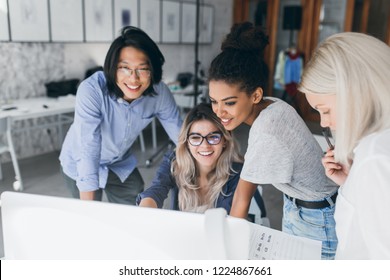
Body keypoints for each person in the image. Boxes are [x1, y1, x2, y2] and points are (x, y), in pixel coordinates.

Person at [207, 22, 339, 259]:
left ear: (255, 95)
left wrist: (225, 259)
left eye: (229, 102)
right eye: (214, 101)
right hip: (304, 204)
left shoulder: (266, 132)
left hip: (318, 218)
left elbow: (241, 199)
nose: (219, 111)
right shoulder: (273, 103)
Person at [59, 26, 182, 205]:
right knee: (92, 219)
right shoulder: (92, 90)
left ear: (153, 70)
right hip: (80, 162)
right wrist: (88, 210)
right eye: (124, 68)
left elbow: (181, 135)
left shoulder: (159, 93)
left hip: (119, 161)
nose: (133, 78)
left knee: (133, 211)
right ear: (112, 68)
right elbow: (89, 150)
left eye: (142, 69)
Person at [298, 32, 390, 259]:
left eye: (325, 110)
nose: (323, 122)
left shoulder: (375, 157)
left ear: (356, 93)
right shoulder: (374, 152)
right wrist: (352, 183)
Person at [137, 103, 243, 214]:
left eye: (213, 137)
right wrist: (145, 212)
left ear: (224, 141)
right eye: (196, 138)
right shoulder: (174, 161)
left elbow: (233, 220)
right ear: (187, 142)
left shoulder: (236, 172)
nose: (205, 145)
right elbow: (157, 189)